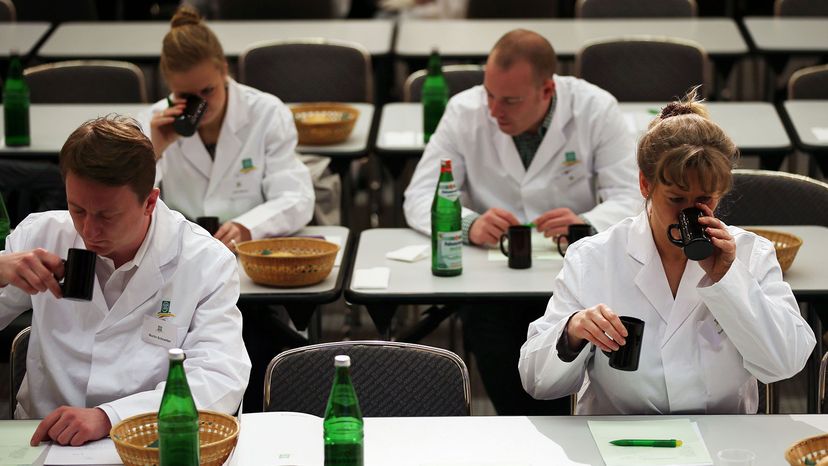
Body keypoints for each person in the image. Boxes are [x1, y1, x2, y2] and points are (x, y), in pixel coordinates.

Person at [518, 91, 816, 414]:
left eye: (704, 200)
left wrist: (729, 281)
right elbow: (536, 380)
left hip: (722, 446)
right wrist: (573, 332)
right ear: (645, 185)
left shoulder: (750, 254)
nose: (689, 213)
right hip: (621, 444)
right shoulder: (593, 258)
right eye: (676, 199)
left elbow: (787, 362)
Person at [403, 29, 640, 415]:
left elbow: (633, 194)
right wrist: (468, 224)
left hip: (573, 273)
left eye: (510, 100)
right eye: (490, 95)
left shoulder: (596, 109)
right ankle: (518, 427)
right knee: (491, 333)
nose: (495, 110)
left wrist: (585, 224)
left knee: (577, 347)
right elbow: (419, 195)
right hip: (493, 281)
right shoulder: (465, 111)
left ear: (547, 90)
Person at [0, 116, 251, 445]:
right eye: (77, 210)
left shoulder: (204, 261)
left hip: (146, 440)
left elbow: (220, 376)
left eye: (106, 216)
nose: (88, 232)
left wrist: (110, 416)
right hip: (43, 440)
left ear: (149, 202)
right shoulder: (40, 236)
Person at [141, 6, 314, 251]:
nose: (200, 105)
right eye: (186, 96)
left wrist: (249, 226)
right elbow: (128, 210)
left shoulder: (266, 113)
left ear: (223, 69)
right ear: (169, 85)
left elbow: (297, 198)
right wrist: (153, 152)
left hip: (251, 251)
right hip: (181, 252)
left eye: (207, 91)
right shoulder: (152, 122)